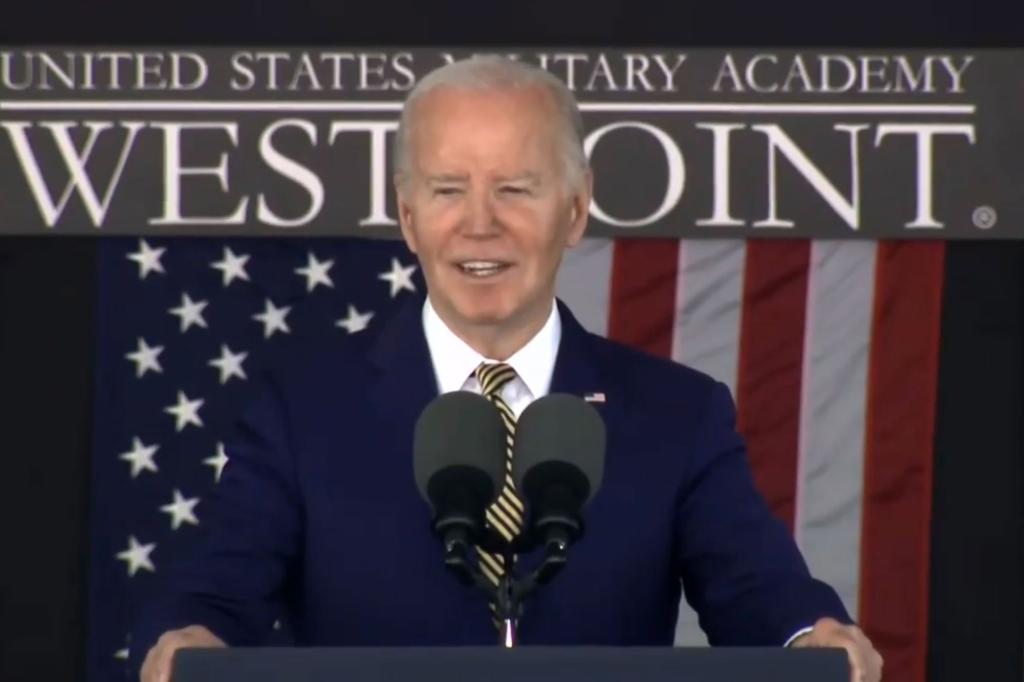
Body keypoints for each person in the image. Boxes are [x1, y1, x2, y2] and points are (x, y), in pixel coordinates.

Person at [135, 56, 883, 682]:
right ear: (407, 215)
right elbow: (215, 589)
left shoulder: (675, 416)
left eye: (515, 190)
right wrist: (189, 640)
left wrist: (809, 640)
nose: (480, 222)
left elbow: (758, 592)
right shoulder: (304, 409)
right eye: (448, 190)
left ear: (576, 211)